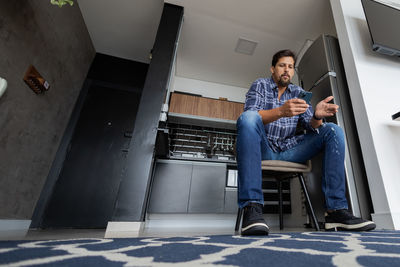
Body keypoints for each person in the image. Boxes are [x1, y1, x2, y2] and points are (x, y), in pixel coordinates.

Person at [236, 49, 376, 236]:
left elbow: (312, 127)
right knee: (248, 117)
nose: (286, 70)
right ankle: (252, 207)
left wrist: (317, 116)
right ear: (273, 69)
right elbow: (251, 116)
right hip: (263, 148)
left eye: (290, 67)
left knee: (333, 130)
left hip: (289, 150)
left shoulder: (298, 92)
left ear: (293, 71)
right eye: (282, 65)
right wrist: (281, 111)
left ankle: (335, 212)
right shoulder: (260, 85)